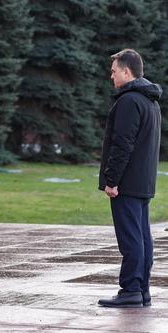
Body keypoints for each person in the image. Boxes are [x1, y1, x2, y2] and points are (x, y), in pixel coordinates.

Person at [98, 49, 162, 308]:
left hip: (127, 182)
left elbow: (122, 144)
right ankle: (141, 290)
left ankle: (131, 290)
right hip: (143, 181)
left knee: (131, 239)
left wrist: (111, 180)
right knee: (142, 237)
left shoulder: (128, 101)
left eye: (114, 71)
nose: (111, 76)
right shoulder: (150, 101)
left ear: (127, 71)